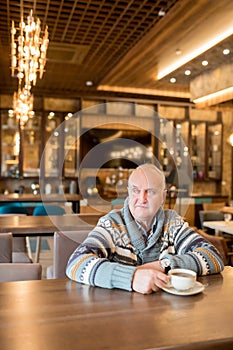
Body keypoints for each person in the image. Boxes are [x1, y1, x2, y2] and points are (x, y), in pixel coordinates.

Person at [66, 163, 224, 294]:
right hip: (119, 316)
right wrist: (132, 277)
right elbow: (77, 263)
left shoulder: (173, 223)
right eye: (135, 191)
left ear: (163, 197)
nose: (141, 199)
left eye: (150, 191)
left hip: (166, 316)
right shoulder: (111, 224)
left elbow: (213, 257)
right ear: (128, 192)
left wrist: (163, 265)